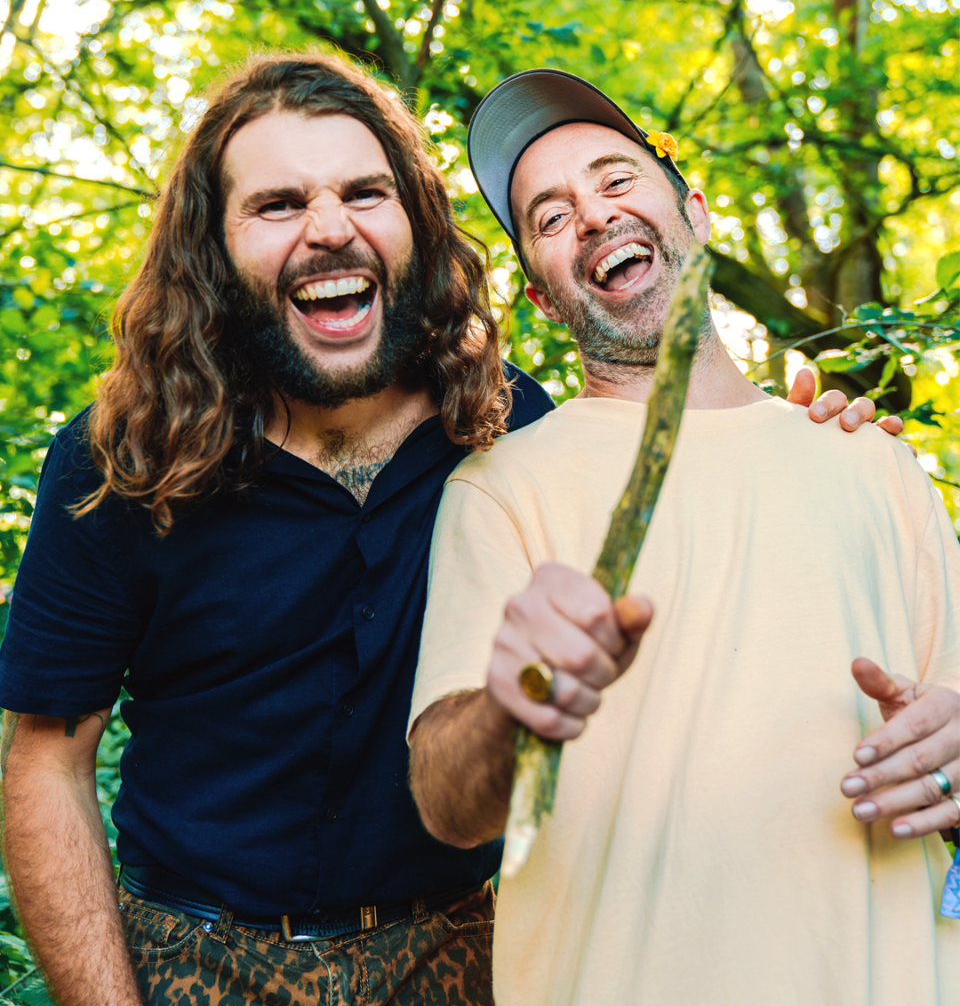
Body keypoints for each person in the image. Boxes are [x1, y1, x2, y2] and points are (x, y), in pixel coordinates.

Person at [0, 52, 887, 1006]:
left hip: (462, 951)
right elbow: (48, 756)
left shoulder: (513, 430)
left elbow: (703, 568)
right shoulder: (120, 460)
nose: (330, 228)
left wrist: (805, 439)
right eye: (278, 204)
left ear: (415, 228)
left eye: (364, 192)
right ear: (212, 251)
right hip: (195, 956)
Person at [407, 70, 960, 1006]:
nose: (591, 216)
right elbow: (446, 805)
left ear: (693, 214)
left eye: (617, 180)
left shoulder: (872, 463)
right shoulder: (499, 490)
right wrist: (516, 702)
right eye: (550, 217)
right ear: (543, 299)